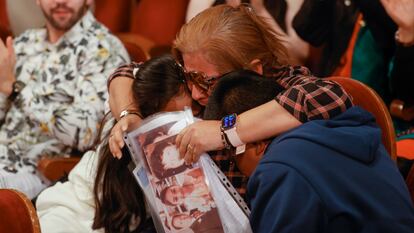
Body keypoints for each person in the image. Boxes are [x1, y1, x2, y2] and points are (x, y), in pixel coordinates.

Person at [107, 4, 353, 198]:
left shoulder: (286, 82)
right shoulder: (197, 79)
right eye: (188, 76)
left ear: (254, 70)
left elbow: (331, 96)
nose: (194, 94)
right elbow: (128, 72)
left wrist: (224, 131)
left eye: (205, 81)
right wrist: (129, 114)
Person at [204, 69, 414, 232]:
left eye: (233, 158)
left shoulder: (279, 168)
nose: (237, 169)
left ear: (255, 143)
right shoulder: (338, 126)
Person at [36, 55, 195, 233]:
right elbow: (123, 73)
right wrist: (129, 116)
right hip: (74, 206)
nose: (183, 126)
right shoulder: (124, 120)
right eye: (171, 121)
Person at [0, 0, 129, 198]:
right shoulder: (25, 43)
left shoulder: (103, 49)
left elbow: (88, 133)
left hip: (40, 171)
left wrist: (16, 90)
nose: (60, 1)